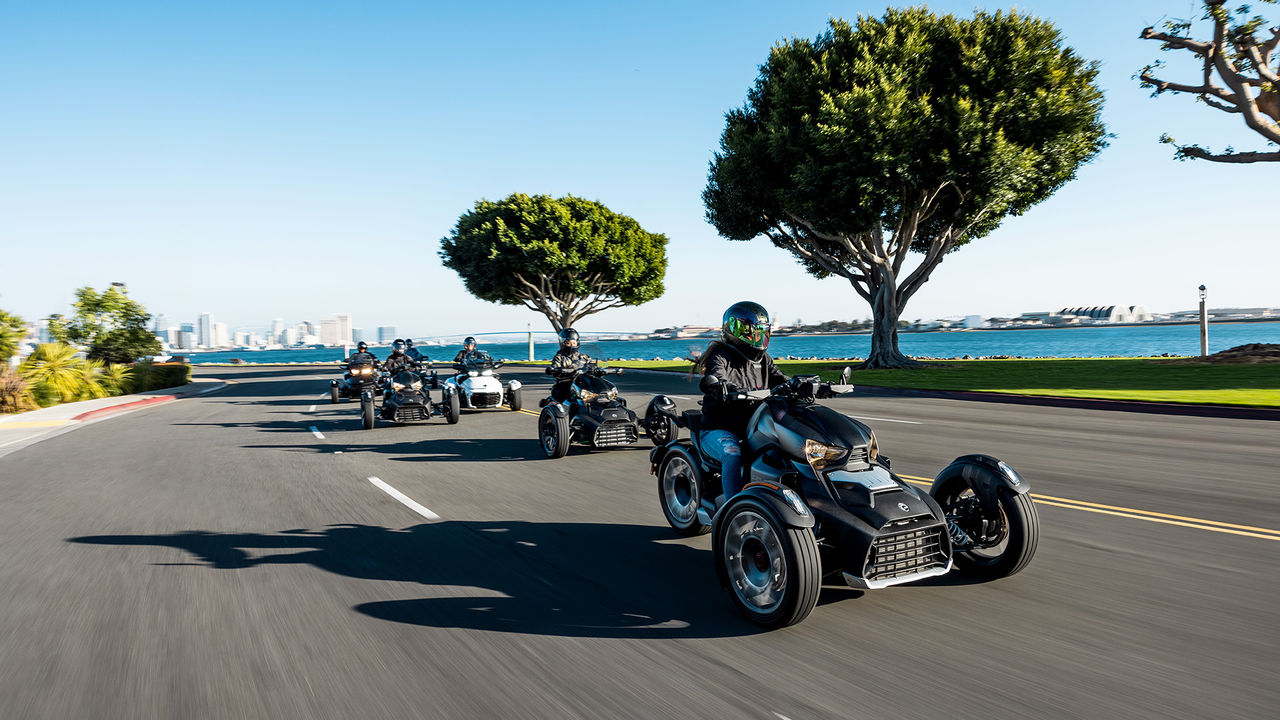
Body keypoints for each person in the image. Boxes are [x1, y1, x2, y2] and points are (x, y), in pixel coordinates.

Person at [697, 301, 788, 504]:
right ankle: (734, 509)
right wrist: (724, 387)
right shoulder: (720, 355)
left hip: (753, 427)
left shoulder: (764, 359)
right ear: (734, 331)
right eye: (751, 332)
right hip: (719, 428)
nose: (757, 337)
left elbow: (781, 379)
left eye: (761, 332)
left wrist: (802, 385)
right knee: (732, 453)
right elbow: (717, 376)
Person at [545, 327, 591, 403]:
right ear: (563, 343)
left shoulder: (584, 357)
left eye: (574, 343)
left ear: (577, 343)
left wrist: (600, 370)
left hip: (582, 384)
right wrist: (555, 370)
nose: (572, 345)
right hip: (565, 384)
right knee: (564, 398)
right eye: (568, 343)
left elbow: (591, 366)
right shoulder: (559, 357)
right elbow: (555, 367)